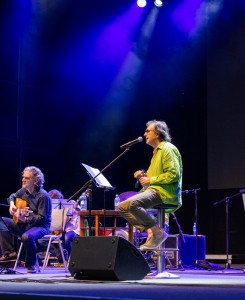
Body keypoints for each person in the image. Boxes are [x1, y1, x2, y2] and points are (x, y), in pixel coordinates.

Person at [118, 120, 182, 251]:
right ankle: (153, 231)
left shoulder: (167, 149)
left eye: (148, 131)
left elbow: (173, 174)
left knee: (131, 204)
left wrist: (150, 180)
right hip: (155, 189)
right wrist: (143, 175)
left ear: (158, 133)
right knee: (122, 207)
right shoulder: (157, 152)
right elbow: (153, 176)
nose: (144, 133)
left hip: (164, 192)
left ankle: (156, 232)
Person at [0, 166, 52, 273]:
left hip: (41, 227)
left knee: (27, 237)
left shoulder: (43, 196)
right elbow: (12, 196)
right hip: (24, 225)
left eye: (27, 178)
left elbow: (42, 218)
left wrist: (25, 218)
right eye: (23, 177)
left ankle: (32, 264)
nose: (23, 179)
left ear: (35, 180)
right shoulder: (24, 191)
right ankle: (9, 252)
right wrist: (11, 205)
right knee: (2, 222)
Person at [38, 189, 80, 261]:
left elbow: (81, 212)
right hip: (58, 230)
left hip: (71, 230)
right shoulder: (50, 207)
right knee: (41, 239)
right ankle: (60, 255)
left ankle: (69, 260)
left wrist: (76, 208)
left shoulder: (71, 204)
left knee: (66, 239)